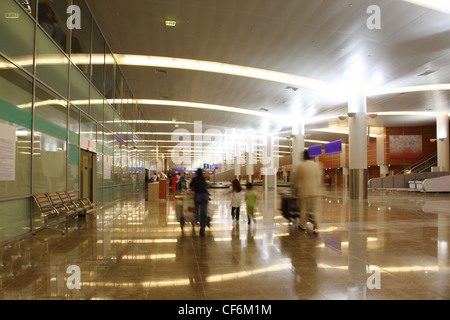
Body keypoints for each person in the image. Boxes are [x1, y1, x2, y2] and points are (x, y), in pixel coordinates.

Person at [292, 150, 324, 234]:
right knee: (316, 210)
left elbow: (296, 178)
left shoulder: (301, 166)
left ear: (303, 157)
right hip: (316, 192)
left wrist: (295, 187)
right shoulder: (317, 165)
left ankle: (303, 226)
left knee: (304, 210)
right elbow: (320, 178)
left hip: (305, 192)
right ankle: (316, 227)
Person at [189, 168, 210, 236]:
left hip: (198, 196)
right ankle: (202, 228)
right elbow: (206, 186)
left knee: (197, 210)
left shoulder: (194, 179)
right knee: (203, 212)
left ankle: (196, 219)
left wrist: (195, 189)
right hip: (205, 196)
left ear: (196, 173)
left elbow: (190, 187)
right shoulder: (204, 179)